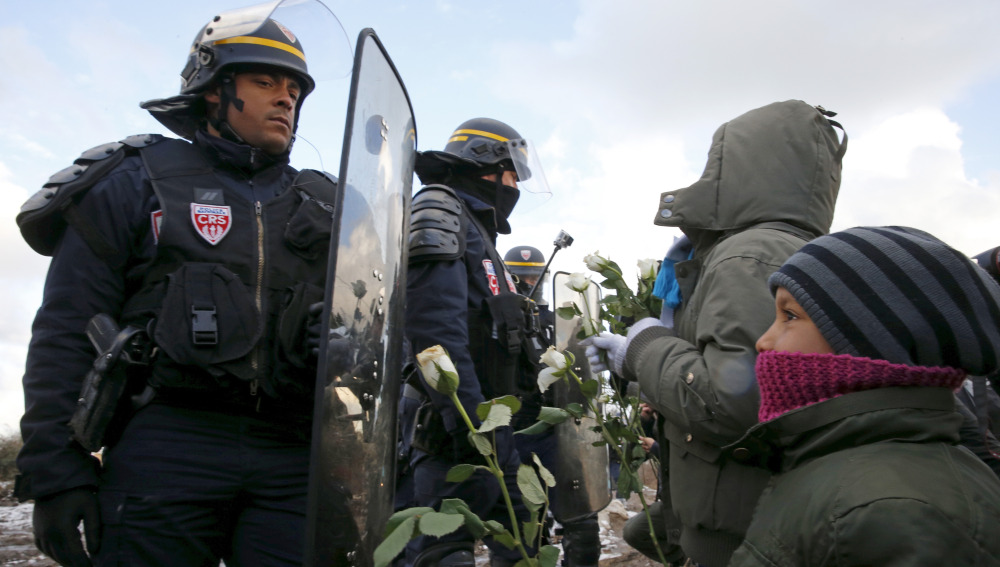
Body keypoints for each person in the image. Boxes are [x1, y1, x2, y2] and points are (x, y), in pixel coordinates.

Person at [14, 8, 338, 566]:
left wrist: (343, 343)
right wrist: (56, 472)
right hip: (167, 440)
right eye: (265, 81)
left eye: (294, 89)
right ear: (214, 89)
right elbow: (68, 328)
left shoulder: (329, 202)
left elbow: (381, 328)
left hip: (296, 453)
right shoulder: (133, 179)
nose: (286, 98)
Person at [587, 100, 847, 566]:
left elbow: (736, 402)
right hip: (748, 509)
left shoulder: (749, 253)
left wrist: (643, 347)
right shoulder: (789, 247)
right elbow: (722, 368)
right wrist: (634, 371)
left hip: (736, 526)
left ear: (740, 169)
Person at [726, 226, 1000, 565]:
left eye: (791, 316)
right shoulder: (845, 465)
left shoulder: (896, 510)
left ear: (877, 339)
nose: (763, 341)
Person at [403, 118, 547, 566]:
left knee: (527, 542)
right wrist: (470, 425)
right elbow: (434, 332)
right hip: (460, 436)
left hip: (499, 433)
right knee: (443, 554)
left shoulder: (482, 235)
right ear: (488, 167)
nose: (514, 187)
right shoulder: (442, 210)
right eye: (511, 176)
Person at [504, 245, 602, 567]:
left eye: (535, 276)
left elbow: (583, 373)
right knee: (521, 530)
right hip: (511, 434)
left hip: (555, 435)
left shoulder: (558, 322)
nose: (529, 283)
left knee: (583, 521)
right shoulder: (493, 321)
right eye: (521, 277)